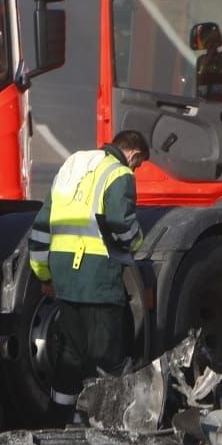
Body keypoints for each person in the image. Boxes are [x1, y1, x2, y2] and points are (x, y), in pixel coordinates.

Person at [26, 130, 148, 412]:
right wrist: (137, 242)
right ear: (134, 154)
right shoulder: (118, 174)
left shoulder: (73, 166)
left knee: (70, 353)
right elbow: (121, 221)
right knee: (107, 356)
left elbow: (43, 225)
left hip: (65, 278)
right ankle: (107, 421)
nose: (135, 170)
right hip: (98, 278)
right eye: (138, 165)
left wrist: (43, 274)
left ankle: (60, 417)